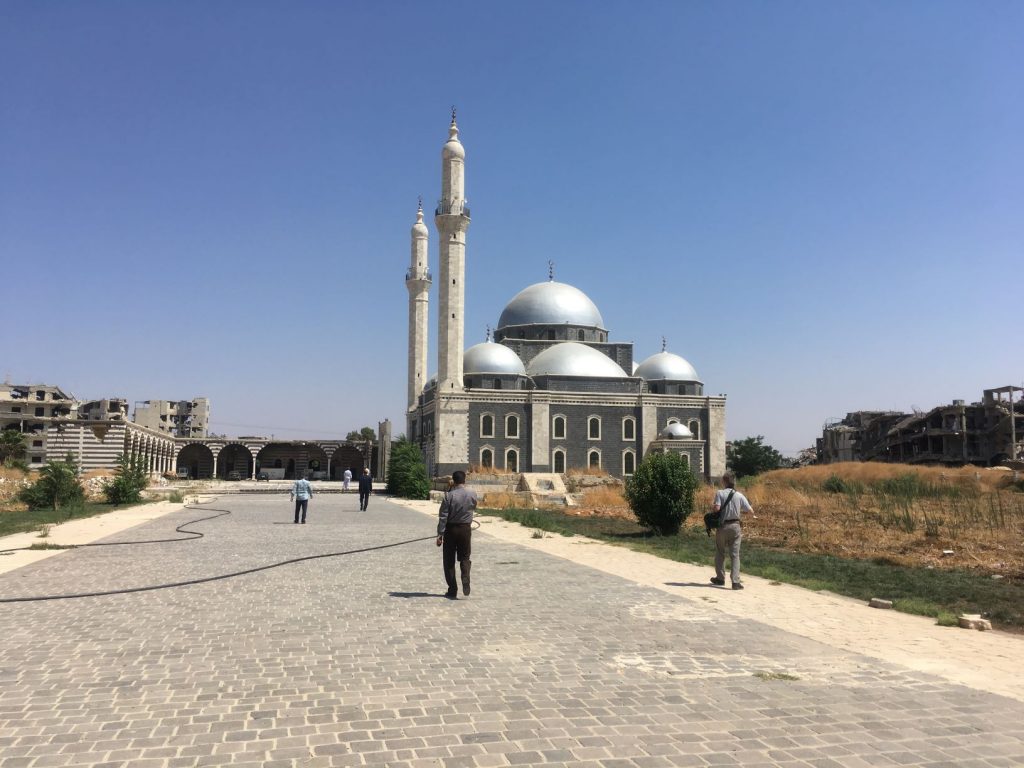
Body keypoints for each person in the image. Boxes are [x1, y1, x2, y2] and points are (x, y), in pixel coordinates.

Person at [436, 470, 478, 599]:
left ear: (453, 481)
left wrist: (440, 534)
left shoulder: (449, 496)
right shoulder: (472, 493)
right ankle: (465, 575)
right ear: (464, 480)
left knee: (449, 560)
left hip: (451, 529)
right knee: (465, 556)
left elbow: (443, 516)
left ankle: (452, 589)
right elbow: (473, 507)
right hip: (465, 529)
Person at [710, 472, 754, 589]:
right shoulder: (739, 495)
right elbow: (750, 511)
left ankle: (720, 578)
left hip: (723, 526)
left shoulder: (720, 493)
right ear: (734, 482)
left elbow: (717, 508)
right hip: (735, 526)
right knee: (735, 555)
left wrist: (713, 508)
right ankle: (735, 582)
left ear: (724, 481)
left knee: (720, 552)